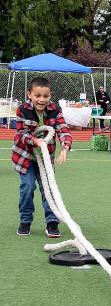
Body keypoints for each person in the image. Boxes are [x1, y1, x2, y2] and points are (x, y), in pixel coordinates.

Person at [13, 77, 72, 238]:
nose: (41, 100)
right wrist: (35, 140)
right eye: (37, 95)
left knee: (49, 189)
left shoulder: (55, 110)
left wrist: (65, 147)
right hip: (25, 157)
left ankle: (52, 222)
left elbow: (63, 129)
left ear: (50, 95)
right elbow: (20, 134)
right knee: (27, 187)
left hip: (46, 158)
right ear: (29, 94)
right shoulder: (22, 110)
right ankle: (25, 221)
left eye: (45, 96)